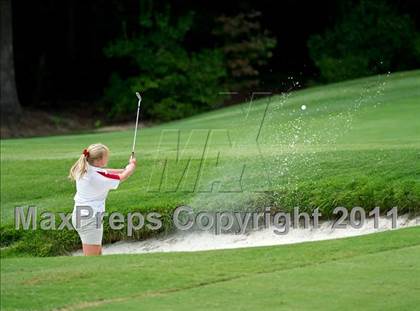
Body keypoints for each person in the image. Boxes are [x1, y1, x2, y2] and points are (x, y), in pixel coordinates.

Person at [68, 143, 136, 256]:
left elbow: (106, 172)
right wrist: (131, 167)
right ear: (99, 160)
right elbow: (122, 177)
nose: (108, 158)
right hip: (89, 219)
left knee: (97, 254)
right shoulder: (96, 177)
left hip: (83, 216)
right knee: (92, 258)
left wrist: (125, 169)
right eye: (106, 156)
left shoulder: (85, 168)